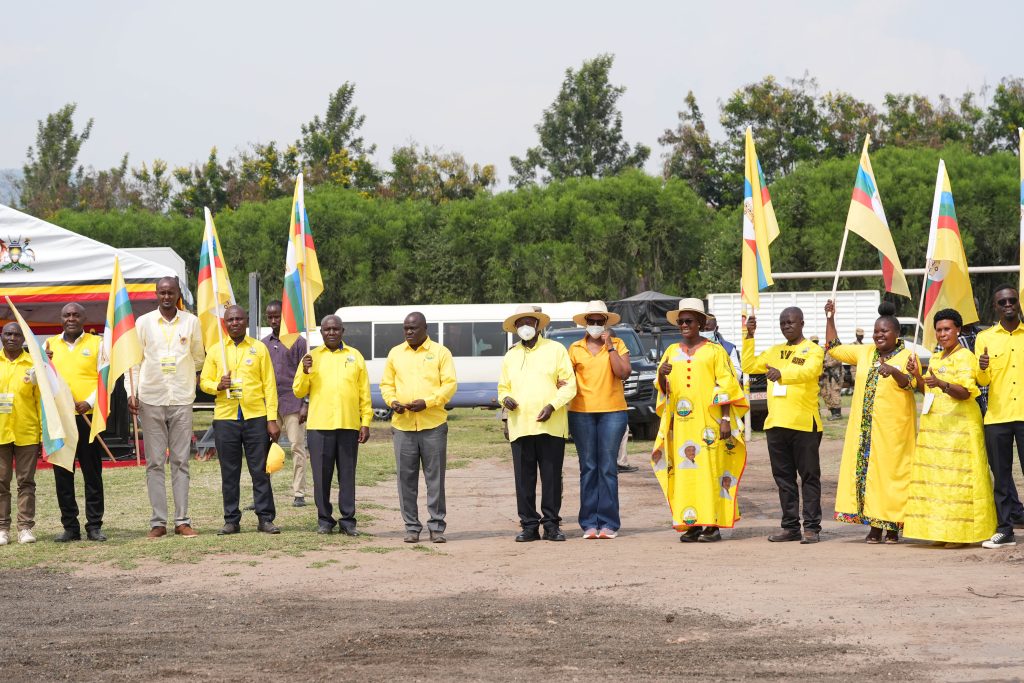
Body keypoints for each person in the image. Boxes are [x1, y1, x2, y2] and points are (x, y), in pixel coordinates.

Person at [651, 298, 747, 543]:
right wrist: (662, 377)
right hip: (681, 427)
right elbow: (663, 390)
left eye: (689, 321)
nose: (684, 325)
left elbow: (726, 386)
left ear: (701, 323)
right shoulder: (671, 352)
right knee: (685, 474)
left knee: (710, 472)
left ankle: (712, 525)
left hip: (710, 424)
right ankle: (691, 523)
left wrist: (726, 418)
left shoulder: (715, 351)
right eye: (681, 321)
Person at [824, 300, 915, 544]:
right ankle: (874, 527)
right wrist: (830, 318)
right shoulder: (865, 353)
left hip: (894, 433)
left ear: (896, 334)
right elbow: (833, 348)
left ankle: (893, 528)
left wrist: (895, 372)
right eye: (876, 331)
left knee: (891, 478)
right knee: (869, 477)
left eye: (884, 331)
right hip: (864, 432)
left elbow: (912, 384)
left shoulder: (908, 355)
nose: (879, 335)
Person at [903, 309, 995, 547]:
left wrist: (942, 383)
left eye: (947, 329)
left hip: (960, 428)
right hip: (936, 428)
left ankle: (961, 534)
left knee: (959, 481)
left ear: (957, 330)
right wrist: (918, 376)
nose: (942, 334)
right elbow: (929, 390)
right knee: (939, 480)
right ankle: (941, 531)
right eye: (939, 330)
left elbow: (965, 393)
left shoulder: (965, 357)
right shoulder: (935, 357)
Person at [129, 277, 205, 539]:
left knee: (181, 461)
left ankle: (182, 520)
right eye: (162, 292)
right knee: (155, 462)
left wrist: (184, 377)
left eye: (170, 292)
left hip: (182, 398)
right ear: (156, 294)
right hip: (151, 397)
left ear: (177, 294)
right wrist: (132, 392)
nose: (166, 296)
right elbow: (135, 361)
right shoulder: (144, 322)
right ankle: (158, 522)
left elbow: (198, 358)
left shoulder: (191, 321)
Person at [742, 307, 825, 544]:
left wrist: (782, 374)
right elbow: (748, 365)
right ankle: (790, 527)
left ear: (801, 323)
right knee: (783, 479)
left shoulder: (813, 350)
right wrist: (749, 336)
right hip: (776, 423)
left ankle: (811, 527)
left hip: (803, 424)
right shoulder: (774, 351)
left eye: (790, 322)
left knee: (809, 477)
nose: (786, 326)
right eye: (782, 323)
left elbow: (809, 371)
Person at [199, 305, 281, 535]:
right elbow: (203, 381)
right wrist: (217, 385)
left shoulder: (259, 348)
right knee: (229, 471)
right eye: (230, 320)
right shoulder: (216, 351)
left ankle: (265, 518)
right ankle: (231, 519)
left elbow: (270, 386)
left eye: (239, 319)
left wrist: (271, 418)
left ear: (246, 320)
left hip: (255, 416)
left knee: (260, 470)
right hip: (226, 418)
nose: (234, 323)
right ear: (224, 323)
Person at [498, 304, 577, 542]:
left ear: (538, 325)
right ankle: (529, 525)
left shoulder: (555, 350)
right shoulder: (511, 355)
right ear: (515, 328)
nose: (525, 327)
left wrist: (552, 406)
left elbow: (569, 384)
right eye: (520, 324)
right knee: (524, 479)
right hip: (520, 425)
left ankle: (552, 525)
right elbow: (503, 388)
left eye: (528, 323)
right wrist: (506, 399)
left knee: (551, 478)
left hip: (550, 424)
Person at [380, 312, 457, 543]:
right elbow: (386, 384)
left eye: (413, 328)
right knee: (406, 479)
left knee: (435, 479)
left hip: (433, 424)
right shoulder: (395, 353)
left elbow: (450, 385)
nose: (409, 332)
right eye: (405, 328)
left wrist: (429, 402)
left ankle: (436, 527)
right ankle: (412, 527)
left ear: (425, 328)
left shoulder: (440, 353)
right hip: (403, 426)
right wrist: (392, 402)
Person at [293, 315, 371, 536]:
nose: (331, 333)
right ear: (321, 333)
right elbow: (298, 391)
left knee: (347, 475)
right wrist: (306, 371)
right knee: (321, 476)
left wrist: (365, 422)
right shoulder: (311, 357)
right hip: (320, 426)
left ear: (342, 331)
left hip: (348, 424)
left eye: (336, 329)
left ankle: (348, 520)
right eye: (327, 330)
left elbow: (364, 393)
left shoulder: (355, 356)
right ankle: (324, 519)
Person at [567, 301, 631, 540]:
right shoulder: (574, 348)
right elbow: (565, 380)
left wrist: (610, 347)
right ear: (585, 323)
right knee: (588, 467)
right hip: (581, 412)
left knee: (607, 468)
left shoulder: (618, 345)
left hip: (612, 412)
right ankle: (589, 523)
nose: (594, 325)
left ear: (606, 323)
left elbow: (623, 372)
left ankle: (609, 523)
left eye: (599, 322)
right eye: (591, 321)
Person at [46, 303, 106, 542]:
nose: (71, 318)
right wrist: (43, 361)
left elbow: (105, 377)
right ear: (61, 318)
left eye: (75, 315)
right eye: (67, 315)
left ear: (84, 318)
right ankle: (70, 527)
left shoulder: (97, 343)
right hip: (60, 419)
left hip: (88, 417)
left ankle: (94, 526)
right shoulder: (48, 345)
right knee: (63, 473)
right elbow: (37, 377)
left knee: (92, 473)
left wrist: (89, 403)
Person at [976, 284, 1024, 548]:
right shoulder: (985, 338)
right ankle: (1005, 529)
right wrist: (982, 369)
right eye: (1002, 302)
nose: (1008, 305)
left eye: (1012, 301)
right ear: (995, 307)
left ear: (1018, 303)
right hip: (997, 416)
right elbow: (982, 380)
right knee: (1002, 477)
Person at [261, 300, 309, 508]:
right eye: (270, 317)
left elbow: (307, 375)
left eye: (277, 316)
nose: (274, 320)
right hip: (269, 405)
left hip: (293, 403)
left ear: (285, 316)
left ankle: (299, 493)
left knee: (297, 448)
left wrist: (305, 402)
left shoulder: (299, 342)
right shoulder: (262, 344)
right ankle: (263, 494)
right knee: (265, 449)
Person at [0, 323, 40, 545]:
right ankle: (2, 528)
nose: (12, 338)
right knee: (0, 482)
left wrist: (44, 434)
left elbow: (40, 401)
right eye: (8, 334)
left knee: (26, 482)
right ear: (2, 336)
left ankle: (25, 528)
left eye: (17, 334)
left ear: (23, 338)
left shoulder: (33, 363)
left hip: (27, 431)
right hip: (0, 432)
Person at [704, 313, 741, 380]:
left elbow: (737, 374)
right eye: (702, 330)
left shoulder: (728, 348)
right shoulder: (692, 348)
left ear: (716, 329)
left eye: (708, 329)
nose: (704, 332)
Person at [821, 350, 843, 420]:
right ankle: (833, 413)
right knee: (826, 394)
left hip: (835, 374)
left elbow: (838, 360)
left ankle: (837, 414)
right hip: (827, 375)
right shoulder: (824, 351)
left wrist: (827, 364)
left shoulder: (836, 349)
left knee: (835, 393)